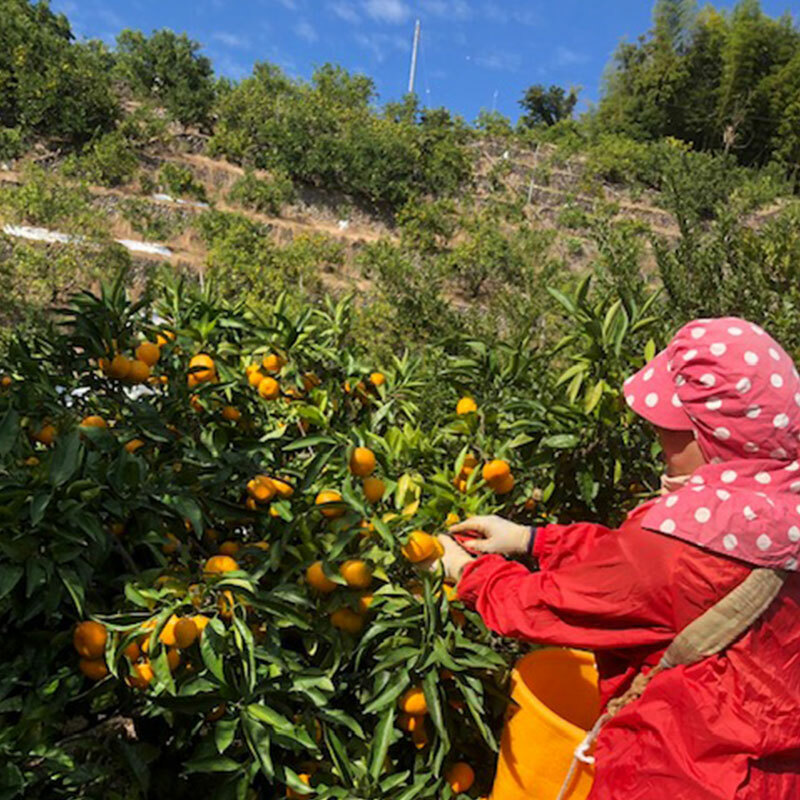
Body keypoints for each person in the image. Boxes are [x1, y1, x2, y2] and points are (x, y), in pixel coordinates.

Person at [435, 317, 800, 799]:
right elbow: (635, 569)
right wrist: (534, 541)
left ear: (714, 436)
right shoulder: (777, 509)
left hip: (679, 779)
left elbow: (554, 602)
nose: (660, 440)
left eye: (674, 430)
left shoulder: (684, 548)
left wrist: (468, 572)